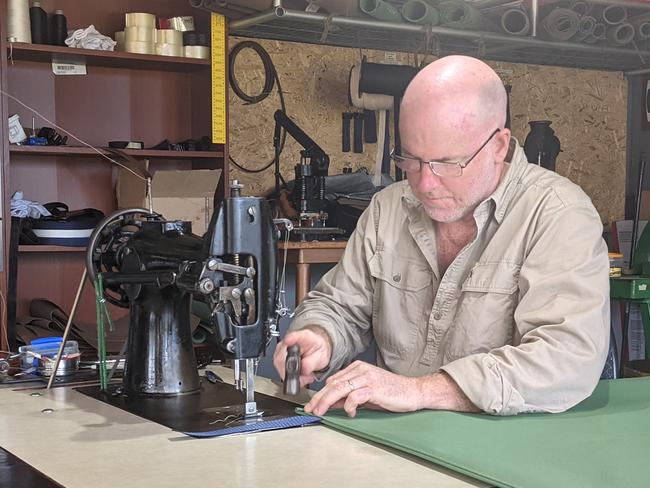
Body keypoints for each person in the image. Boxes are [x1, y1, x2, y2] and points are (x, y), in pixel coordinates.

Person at [273, 55, 610, 417]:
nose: (425, 183)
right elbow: (339, 306)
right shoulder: (388, 209)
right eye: (411, 159)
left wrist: (421, 390)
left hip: (507, 449)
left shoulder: (558, 214)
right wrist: (320, 335)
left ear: (498, 146)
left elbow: (566, 357)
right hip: (403, 444)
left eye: (448, 163)